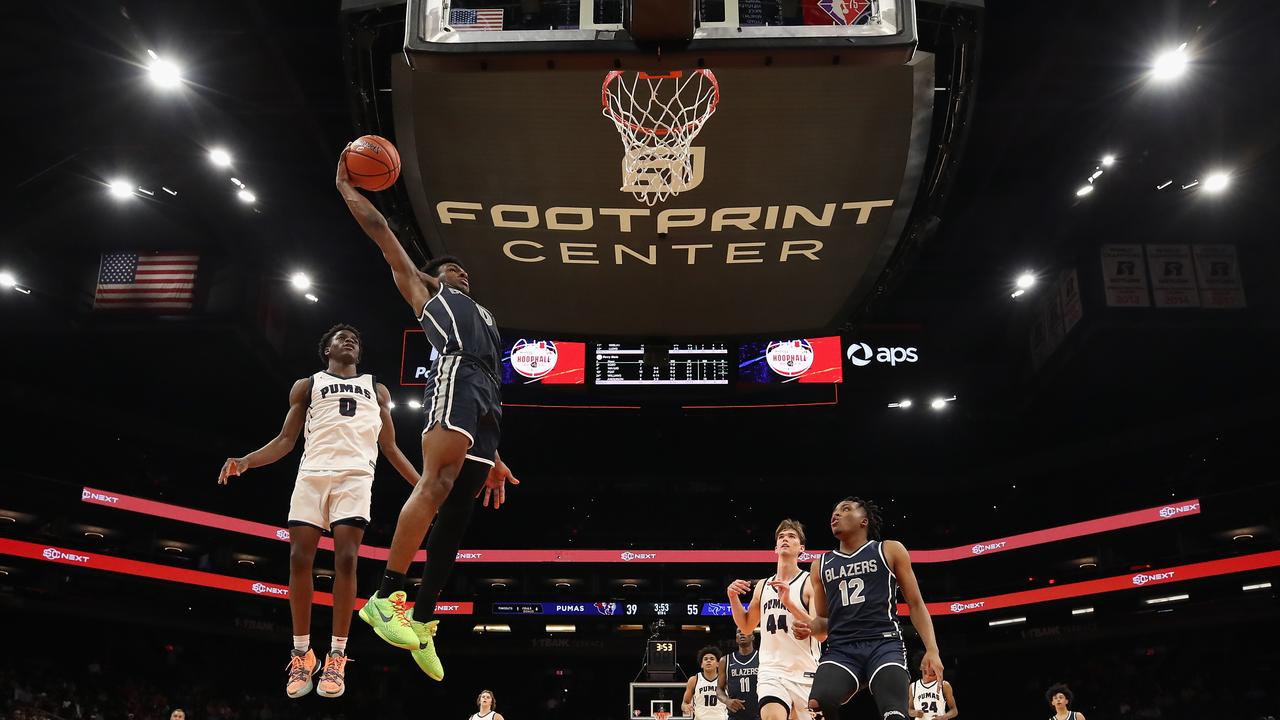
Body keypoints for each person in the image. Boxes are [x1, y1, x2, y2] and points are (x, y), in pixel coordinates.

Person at [335, 150, 519, 681]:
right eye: (450, 266)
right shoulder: (429, 291)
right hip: (457, 380)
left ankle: (421, 618)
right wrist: (350, 191)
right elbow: (383, 235)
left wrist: (496, 453)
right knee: (436, 483)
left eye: (463, 269)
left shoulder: (482, 314)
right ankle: (385, 594)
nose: (460, 269)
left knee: (459, 514)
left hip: (488, 397)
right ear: (432, 277)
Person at [218, 324, 418, 699]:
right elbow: (285, 441)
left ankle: (337, 657)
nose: (350, 341)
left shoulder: (378, 388)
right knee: (298, 558)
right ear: (326, 349)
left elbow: (390, 447)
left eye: (355, 340)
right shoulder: (306, 385)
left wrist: (422, 488)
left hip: (355, 476)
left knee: (346, 560)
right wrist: (246, 461)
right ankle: (301, 653)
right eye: (341, 338)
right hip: (312, 474)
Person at [781, 498, 943, 720]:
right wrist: (810, 626)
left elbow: (915, 604)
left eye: (845, 509)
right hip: (842, 648)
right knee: (819, 702)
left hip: (883, 643)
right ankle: (860, 676)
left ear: (864, 521)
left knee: (895, 714)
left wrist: (932, 649)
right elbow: (823, 625)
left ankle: (873, 676)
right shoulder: (821, 565)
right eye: (834, 511)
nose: (835, 515)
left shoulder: (889, 549)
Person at [727, 520, 821, 720]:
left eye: (791, 536)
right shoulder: (763, 586)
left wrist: (789, 603)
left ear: (801, 549)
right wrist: (733, 598)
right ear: (775, 548)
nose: (785, 539)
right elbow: (746, 625)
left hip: (805, 671)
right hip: (771, 670)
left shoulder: (809, 583)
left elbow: (821, 632)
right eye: (781, 537)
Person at [718, 630, 760, 720]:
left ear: (753, 637)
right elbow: (719, 689)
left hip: (759, 714)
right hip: (735, 716)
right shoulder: (725, 660)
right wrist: (727, 701)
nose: (741, 633)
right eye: (738, 631)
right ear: (736, 639)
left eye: (745, 630)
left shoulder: (762, 658)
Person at [684, 647, 728, 720]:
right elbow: (685, 702)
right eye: (705, 659)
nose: (708, 661)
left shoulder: (725, 680)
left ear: (718, 664)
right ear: (701, 664)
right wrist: (685, 706)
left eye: (712, 659)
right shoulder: (694, 680)